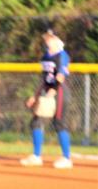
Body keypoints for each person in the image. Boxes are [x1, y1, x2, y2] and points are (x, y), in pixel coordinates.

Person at [20, 29, 73, 169]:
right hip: (47, 91)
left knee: (59, 122)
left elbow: (61, 76)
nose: (47, 40)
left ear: (57, 40)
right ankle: (36, 156)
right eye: (46, 38)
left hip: (60, 92)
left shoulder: (62, 55)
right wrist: (35, 95)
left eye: (51, 38)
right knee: (36, 121)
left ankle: (66, 158)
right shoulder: (45, 57)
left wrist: (53, 91)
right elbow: (45, 79)